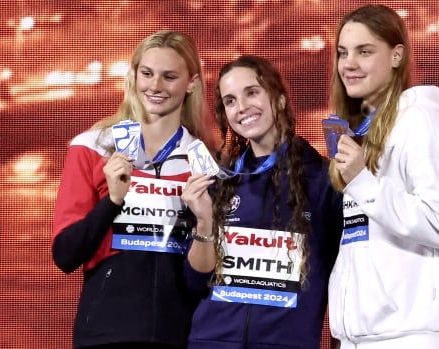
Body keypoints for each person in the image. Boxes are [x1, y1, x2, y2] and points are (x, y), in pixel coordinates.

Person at [326, 4, 439, 349]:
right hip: (363, 337)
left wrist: (363, 182)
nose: (348, 64)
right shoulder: (366, 131)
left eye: (364, 52)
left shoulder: (422, 119)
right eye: (342, 53)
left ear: (397, 56)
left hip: (414, 337)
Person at [52, 30, 212, 349]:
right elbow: (66, 255)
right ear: (133, 75)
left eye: (169, 77)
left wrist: (205, 223)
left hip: (178, 334)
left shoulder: (204, 160)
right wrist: (112, 201)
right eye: (147, 74)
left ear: (191, 83)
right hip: (106, 332)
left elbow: (201, 278)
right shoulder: (92, 147)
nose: (155, 87)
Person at [181, 55, 343, 349]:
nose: (241, 107)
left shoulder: (323, 180)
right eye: (230, 101)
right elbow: (195, 283)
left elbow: (342, 280)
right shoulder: (219, 181)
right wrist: (205, 220)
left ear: (279, 99)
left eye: (251, 92)